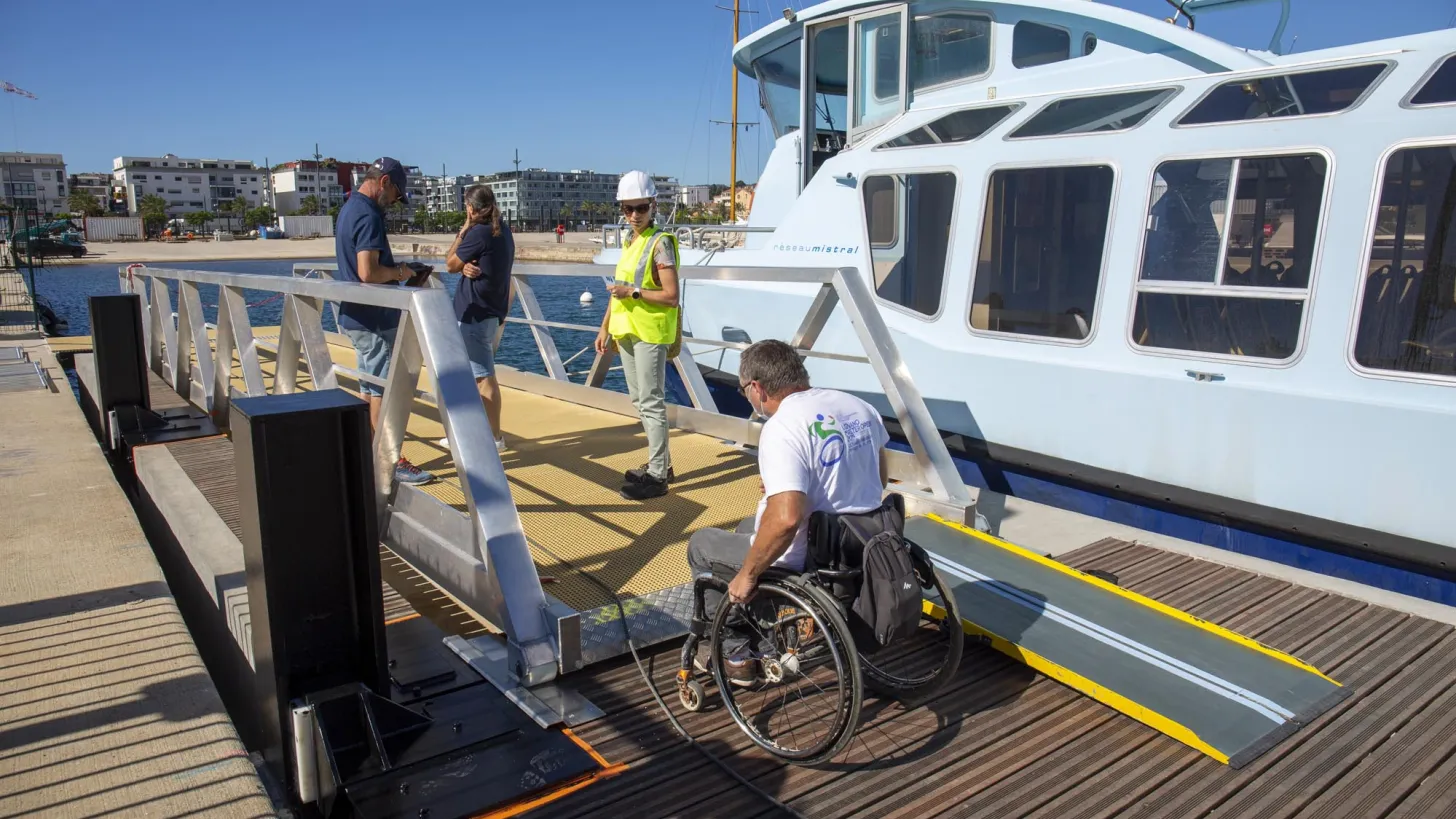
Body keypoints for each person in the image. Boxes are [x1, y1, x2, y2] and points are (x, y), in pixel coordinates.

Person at [685, 339, 890, 684]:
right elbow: (878, 476)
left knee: (703, 545)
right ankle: (766, 637)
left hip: (811, 550)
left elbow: (786, 520)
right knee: (744, 526)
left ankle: (736, 653)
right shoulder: (856, 405)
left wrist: (748, 575)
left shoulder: (782, 427)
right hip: (860, 538)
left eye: (743, 391)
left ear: (758, 388)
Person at [334, 156, 434, 486]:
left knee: (368, 385)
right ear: (385, 182)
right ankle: (389, 459)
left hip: (356, 314)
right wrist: (403, 272)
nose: (393, 203)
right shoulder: (368, 213)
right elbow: (368, 272)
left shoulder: (350, 208)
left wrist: (397, 268)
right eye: (395, 196)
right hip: (374, 318)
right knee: (383, 388)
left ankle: (369, 449)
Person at [594, 170, 680, 501]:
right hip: (626, 331)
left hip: (649, 333)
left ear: (653, 205)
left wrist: (633, 294)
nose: (633, 216)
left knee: (651, 401)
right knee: (638, 400)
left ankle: (658, 476)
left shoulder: (661, 244)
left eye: (639, 208)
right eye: (627, 209)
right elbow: (617, 291)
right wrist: (605, 326)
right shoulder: (630, 241)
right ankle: (663, 464)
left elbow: (670, 296)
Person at [445, 185, 513, 453]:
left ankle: (494, 439)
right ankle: (476, 433)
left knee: (484, 378)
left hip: (475, 315)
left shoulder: (479, 233)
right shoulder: (503, 231)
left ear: (471, 208)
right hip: (491, 312)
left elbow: (449, 263)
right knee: (477, 376)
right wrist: (468, 265)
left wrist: (464, 228)